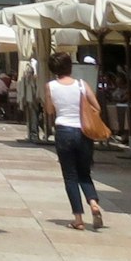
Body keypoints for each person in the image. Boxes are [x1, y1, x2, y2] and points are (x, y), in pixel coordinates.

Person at [43, 51, 104, 230]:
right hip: (83, 132)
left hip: (63, 131)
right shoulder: (81, 85)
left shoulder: (50, 86)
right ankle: (93, 202)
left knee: (70, 176)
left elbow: (49, 110)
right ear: (70, 67)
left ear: (53, 69)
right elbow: (97, 107)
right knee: (84, 173)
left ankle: (78, 219)